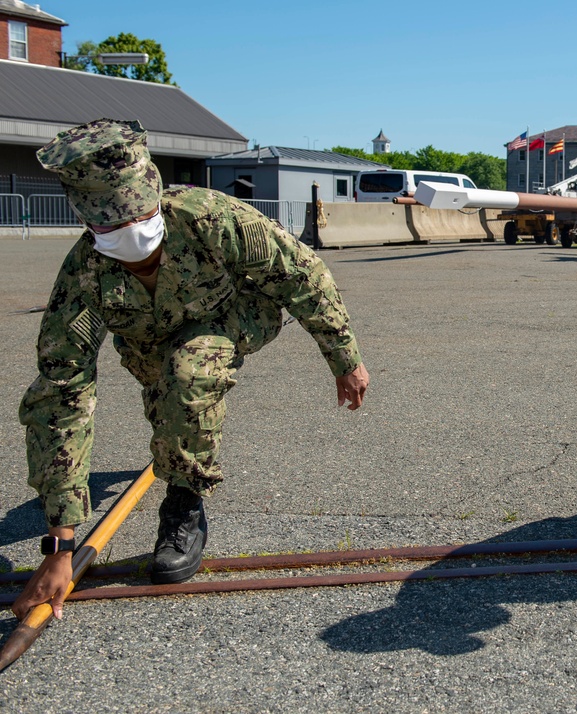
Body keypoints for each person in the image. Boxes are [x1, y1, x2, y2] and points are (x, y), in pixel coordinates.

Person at [12, 118, 370, 620]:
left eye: (138, 217)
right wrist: (60, 546)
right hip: (148, 343)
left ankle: (183, 501)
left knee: (190, 375)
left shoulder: (211, 217)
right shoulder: (83, 277)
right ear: (90, 224)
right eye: (113, 226)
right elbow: (60, 398)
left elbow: (301, 273)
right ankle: (177, 435)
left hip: (237, 313)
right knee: (170, 394)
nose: (131, 234)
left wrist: (344, 358)